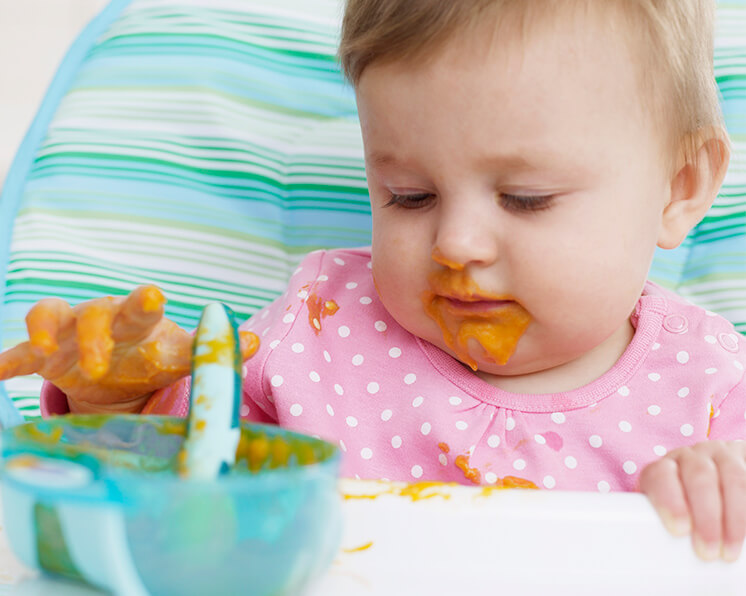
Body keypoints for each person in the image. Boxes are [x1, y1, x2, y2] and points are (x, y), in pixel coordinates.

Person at [0, 0, 743, 563]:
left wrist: (723, 489)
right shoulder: (315, 329)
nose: (455, 243)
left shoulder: (712, 389)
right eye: (408, 196)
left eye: (526, 198)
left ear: (680, 186)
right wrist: (117, 396)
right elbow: (169, 487)